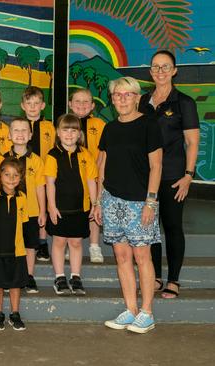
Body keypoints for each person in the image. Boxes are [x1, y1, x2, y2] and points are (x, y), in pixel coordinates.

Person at [97, 76, 163, 334]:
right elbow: (102, 165)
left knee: (141, 256)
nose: (122, 99)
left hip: (140, 203)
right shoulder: (109, 128)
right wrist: (99, 201)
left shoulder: (149, 125)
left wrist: (151, 201)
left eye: (127, 94)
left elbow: (156, 165)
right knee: (122, 256)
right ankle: (130, 310)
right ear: (112, 100)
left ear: (137, 98)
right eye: (117, 95)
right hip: (112, 201)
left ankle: (147, 312)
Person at [138, 50, 200, 299]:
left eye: (165, 67)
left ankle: (173, 280)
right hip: (146, 176)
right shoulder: (142, 101)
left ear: (174, 70)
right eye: (156, 67)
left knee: (172, 227)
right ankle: (154, 277)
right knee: (150, 228)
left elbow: (192, 142)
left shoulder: (184, 102)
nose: (160, 71)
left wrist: (188, 175)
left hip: (174, 176)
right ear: (150, 71)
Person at [44, 114, 98, 296]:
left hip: (80, 208)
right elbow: (49, 183)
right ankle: (60, 277)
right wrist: (51, 206)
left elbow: (91, 181)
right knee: (59, 241)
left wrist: (94, 203)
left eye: (73, 130)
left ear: (79, 134)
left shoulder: (86, 154)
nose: (69, 134)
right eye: (65, 130)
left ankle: (76, 276)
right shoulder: (52, 155)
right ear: (58, 133)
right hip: (60, 207)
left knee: (75, 242)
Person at [0, 158, 30, 331]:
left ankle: (14, 314)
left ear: (21, 178)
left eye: (16, 175)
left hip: (16, 249)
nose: (11, 179)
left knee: (15, 283)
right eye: (7, 174)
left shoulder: (22, 197)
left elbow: (23, 222)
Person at [4, 118, 46, 294]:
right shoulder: (3, 159)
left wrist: (42, 210)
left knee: (29, 246)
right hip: (8, 213)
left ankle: (28, 276)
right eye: (16, 130)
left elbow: (39, 187)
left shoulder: (36, 160)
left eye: (24, 131)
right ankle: (10, 277)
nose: (20, 134)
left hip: (31, 211)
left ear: (30, 135)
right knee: (10, 246)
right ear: (9, 135)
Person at [68, 88, 106, 263]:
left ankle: (94, 246)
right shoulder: (64, 123)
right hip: (71, 177)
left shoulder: (99, 124)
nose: (81, 105)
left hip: (94, 175)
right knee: (73, 211)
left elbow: (104, 151)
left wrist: (97, 171)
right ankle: (71, 243)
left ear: (92, 106)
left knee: (94, 209)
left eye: (86, 102)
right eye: (77, 101)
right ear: (70, 104)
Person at [21, 86, 55, 262]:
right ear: (23, 105)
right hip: (24, 175)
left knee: (43, 207)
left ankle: (42, 242)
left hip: (44, 174)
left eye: (36, 103)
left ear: (42, 106)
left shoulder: (49, 126)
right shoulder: (20, 126)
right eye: (29, 103)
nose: (33, 107)